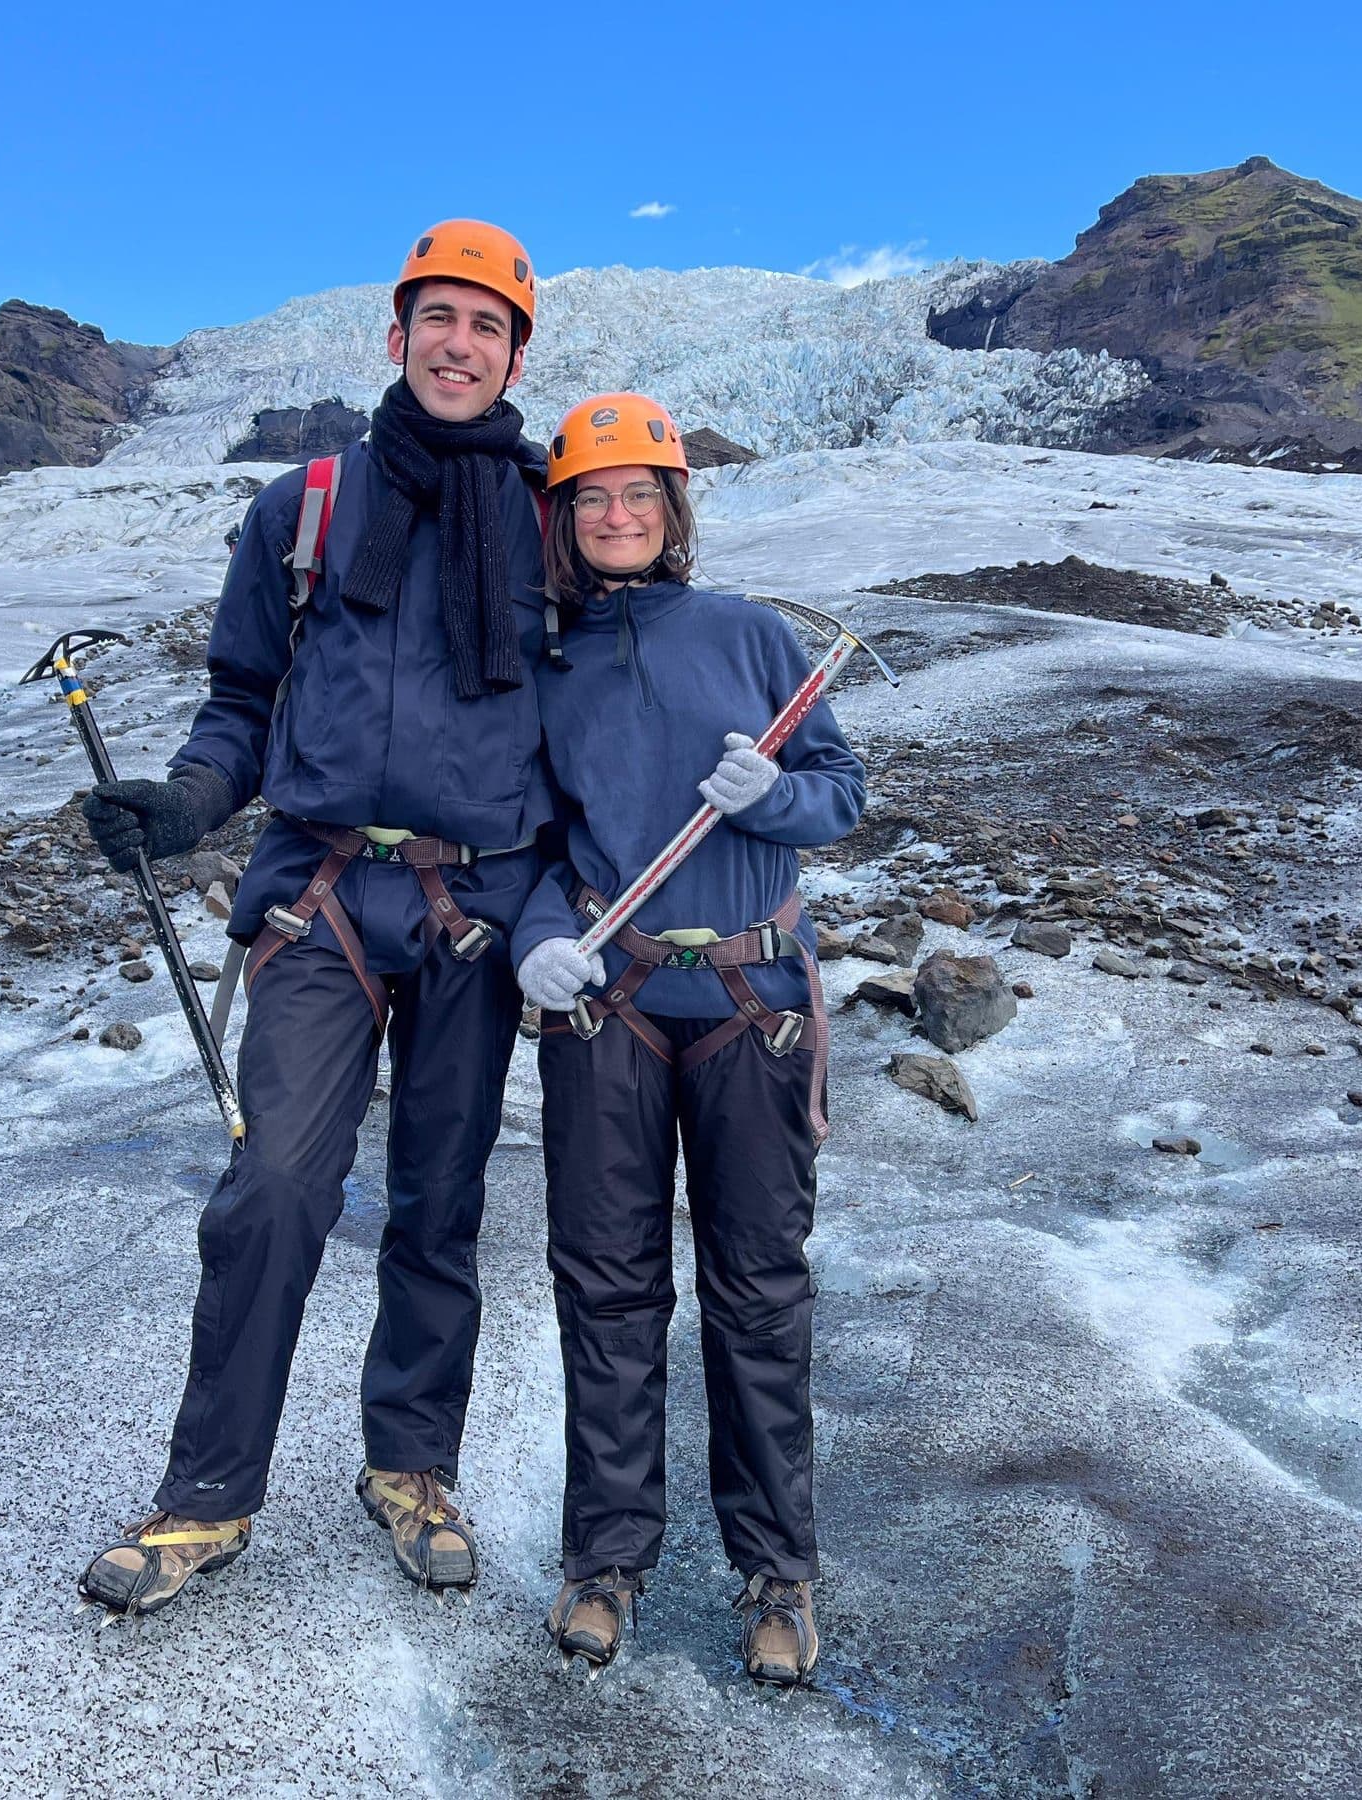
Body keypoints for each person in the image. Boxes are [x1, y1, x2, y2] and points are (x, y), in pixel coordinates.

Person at [73, 221, 555, 1616]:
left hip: (475, 901)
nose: (462, 344)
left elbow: (588, 722)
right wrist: (181, 806)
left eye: (489, 324)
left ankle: (412, 1466)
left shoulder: (547, 518)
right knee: (274, 1187)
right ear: (396, 339)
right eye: (439, 319)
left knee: (440, 1202)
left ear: (519, 352)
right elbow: (241, 701)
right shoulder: (305, 510)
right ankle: (204, 1499)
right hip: (323, 896)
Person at [511, 393, 865, 1688]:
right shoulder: (544, 667)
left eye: (640, 494)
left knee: (757, 1298)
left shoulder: (752, 637)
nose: (618, 515)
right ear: (565, 518)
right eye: (594, 498)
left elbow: (841, 790)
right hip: (607, 1007)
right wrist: (531, 939)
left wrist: (778, 794)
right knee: (605, 1293)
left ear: (674, 509)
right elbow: (534, 849)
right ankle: (605, 1561)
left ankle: (777, 1575)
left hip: (749, 1008)